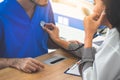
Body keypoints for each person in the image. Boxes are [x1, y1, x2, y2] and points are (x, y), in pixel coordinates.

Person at [44, 0, 120, 79]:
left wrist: (88, 35)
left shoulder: (115, 44)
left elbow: (89, 77)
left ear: (106, 9)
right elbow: (99, 53)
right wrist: (59, 40)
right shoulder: (114, 33)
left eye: (95, 3)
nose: (93, 9)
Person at [0, 0, 58, 73]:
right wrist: (14, 62)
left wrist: (61, 43)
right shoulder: (2, 13)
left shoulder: (45, 5)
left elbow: (44, 41)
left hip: (41, 72)